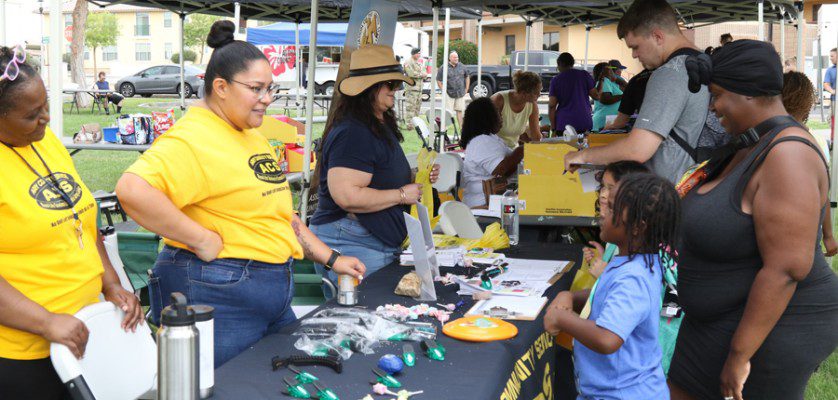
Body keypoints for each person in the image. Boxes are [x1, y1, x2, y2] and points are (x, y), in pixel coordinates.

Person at [115, 21, 366, 368]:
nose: (267, 99)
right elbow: (132, 190)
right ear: (221, 87)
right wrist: (200, 238)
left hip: (266, 293)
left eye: (270, 88)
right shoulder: (192, 138)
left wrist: (332, 258)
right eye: (257, 89)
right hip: (217, 294)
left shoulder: (247, 132)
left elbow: (277, 216)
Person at [669, 40, 838, 400]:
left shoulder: (787, 154)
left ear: (747, 93)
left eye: (718, 95)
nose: (713, 108)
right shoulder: (749, 143)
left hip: (771, 329)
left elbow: (786, 269)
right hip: (713, 324)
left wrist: (740, 355)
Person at [0, 45, 143, 398]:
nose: (46, 119)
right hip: (24, 354)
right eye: (33, 114)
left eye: (46, 105)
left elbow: (79, 215)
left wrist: (110, 283)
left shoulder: (43, 140)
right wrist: (46, 321)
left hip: (84, 331)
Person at [310, 44, 439, 286]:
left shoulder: (373, 123)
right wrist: (401, 194)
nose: (396, 90)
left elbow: (378, 172)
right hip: (353, 242)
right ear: (369, 88)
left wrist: (415, 177)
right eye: (390, 84)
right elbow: (347, 196)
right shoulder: (353, 132)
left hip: (366, 240)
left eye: (397, 84)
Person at [544, 173, 678, 400]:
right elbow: (606, 297)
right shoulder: (631, 262)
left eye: (612, 209)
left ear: (637, 227)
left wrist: (561, 318)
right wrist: (571, 296)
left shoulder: (633, 278)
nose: (602, 213)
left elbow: (607, 338)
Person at [565, 0, 711, 184]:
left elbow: (637, 150)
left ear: (657, 36)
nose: (634, 55)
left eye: (635, 46)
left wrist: (583, 156)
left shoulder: (669, 74)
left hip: (671, 190)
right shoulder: (702, 62)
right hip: (697, 183)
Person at [782, 71, 838, 257]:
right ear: (808, 102)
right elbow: (823, 192)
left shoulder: (767, 136)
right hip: (805, 237)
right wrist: (828, 235)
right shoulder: (814, 140)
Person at [583, 161, 650, 278]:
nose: (603, 194)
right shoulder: (616, 235)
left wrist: (604, 275)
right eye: (603, 186)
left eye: (611, 188)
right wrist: (604, 257)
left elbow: (628, 289)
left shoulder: (641, 250)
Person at [460, 97, 524, 208]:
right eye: (498, 112)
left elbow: (507, 170)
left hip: (494, 202)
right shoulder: (481, 142)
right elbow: (500, 170)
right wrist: (522, 150)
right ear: (487, 118)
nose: (501, 115)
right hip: (483, 206)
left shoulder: (490, 138)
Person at [490, 70, 542, 148]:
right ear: (524, 93)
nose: (539, 95)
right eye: (536, 92)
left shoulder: (532, 105)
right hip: (492, 150)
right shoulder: (498, 100)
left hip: (512, 150)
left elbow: (536, 136)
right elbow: (484, 132)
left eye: (540, 91)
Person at [549, 52, 596, 134]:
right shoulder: (584, 75)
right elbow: (596, 96)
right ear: (572, 63)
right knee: (583, 146)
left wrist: (553, 128)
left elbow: (552, 105)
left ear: (560, 64)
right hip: (584, 121)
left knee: (565, 147)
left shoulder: (556, 80)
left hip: (564, 124)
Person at [436, 51, 470, 127]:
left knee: (460, 112)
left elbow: (467, 77)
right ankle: (444, 133)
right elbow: (438, 80)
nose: (456, 59)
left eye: (457, 57)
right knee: (447, 113)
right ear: (450, 58)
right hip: (448, 93)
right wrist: (443, 91)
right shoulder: (443, 67)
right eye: (454, 57)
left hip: (460, 93)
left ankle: (462, 131)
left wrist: (466, 89)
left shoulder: (462, 66)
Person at [591, 62, 624, 131]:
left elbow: (628, 88)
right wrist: (623, 96)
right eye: (610, 69)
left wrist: (615, 79)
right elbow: (606, 99)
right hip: (603, 122)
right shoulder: (605, 81)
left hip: (607, 122)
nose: (612, 71)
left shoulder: (611, 82)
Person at [403, 48, 427, 130]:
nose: (419, 55)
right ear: (413, 54)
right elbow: (410, 73)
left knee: (417, 108)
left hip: (419, 90)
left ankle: (416, 125)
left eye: (420, 53)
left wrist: (423, 74)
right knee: (410, 108)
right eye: (418, 53)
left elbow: (425, 73)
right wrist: (421, 74)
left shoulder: (419, 63)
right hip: (411, 89)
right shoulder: (408, 62)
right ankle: (409, 126)